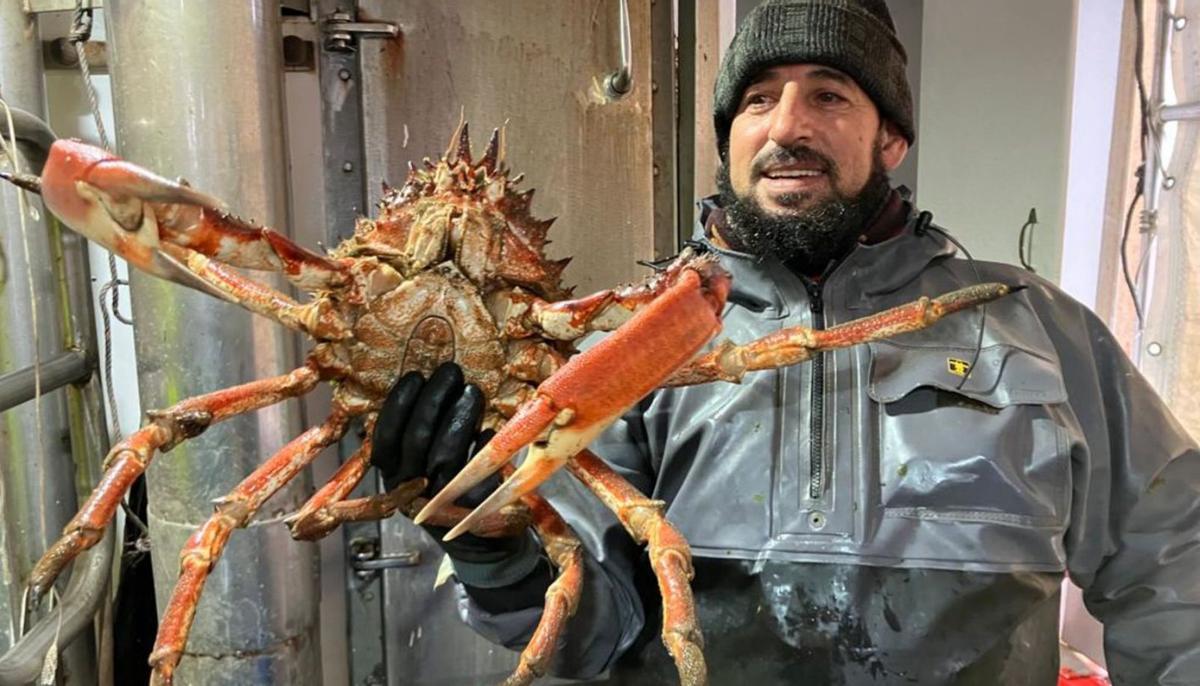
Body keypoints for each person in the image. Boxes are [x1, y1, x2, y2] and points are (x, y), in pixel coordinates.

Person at [370, 1, 1200, 683]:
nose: (787, 127)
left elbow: (1177, 566)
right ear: (728, 140)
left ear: (892, 138)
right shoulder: (628, 349)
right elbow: (590, 636)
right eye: (759, 99)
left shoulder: (1036, 327)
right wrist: (491, 547)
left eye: (830, 95)